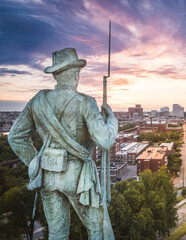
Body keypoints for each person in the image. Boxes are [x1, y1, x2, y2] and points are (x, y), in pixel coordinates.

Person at [8, 48, 118, 239]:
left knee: (57, 233)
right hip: (78, 177)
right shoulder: (85, 102)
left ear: (56, 75)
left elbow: (15, 137)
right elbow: (105, 140)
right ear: (75, 74)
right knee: (97, 228)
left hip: (48, 177)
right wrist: (112, 120)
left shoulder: (38, 101)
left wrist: (36, 162)